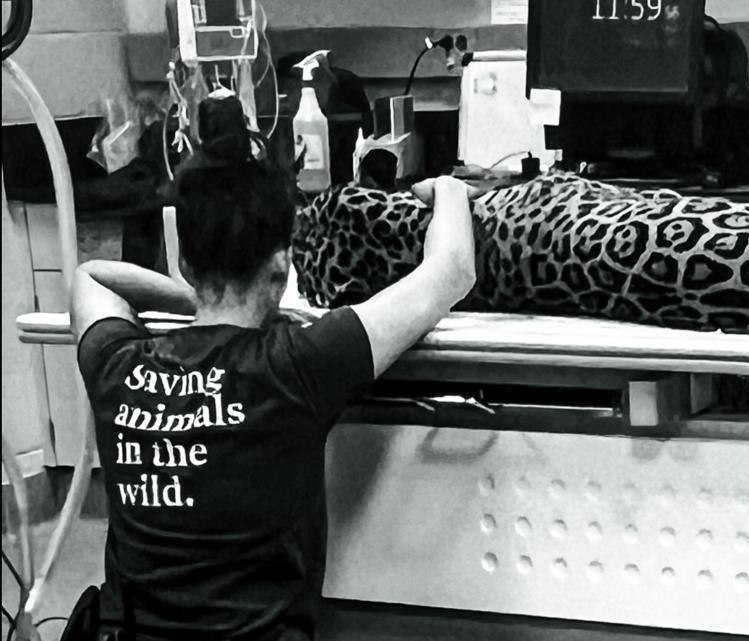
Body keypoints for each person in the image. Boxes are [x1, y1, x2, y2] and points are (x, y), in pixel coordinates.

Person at [68, 117, 476, 639]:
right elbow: (453, 270)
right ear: (281, 267)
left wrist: (200, 300)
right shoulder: (294, 365)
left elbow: (93, 277)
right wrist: (449, 190)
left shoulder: (118, 369)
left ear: (185, 263)